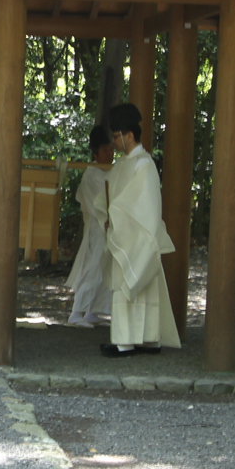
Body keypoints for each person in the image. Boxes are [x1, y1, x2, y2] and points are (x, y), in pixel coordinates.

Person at [101, 102, 180, 357]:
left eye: (116, 137)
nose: (113, 142)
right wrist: (110, 215)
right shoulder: (124, 164)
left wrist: (116, 214)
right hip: (124, 234)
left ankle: (142, 340)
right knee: (129, 283)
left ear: (129, 136)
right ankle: (130, 339)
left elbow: (142, 203)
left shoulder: (144, 164)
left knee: (139, 282)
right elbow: (112, 196)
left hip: (139, 234)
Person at [64, 125, 115, 328]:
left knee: (106, 268)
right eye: (105, 150)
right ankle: (76, 312)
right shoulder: (91, 174)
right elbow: (99, 205)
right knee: (93, 266)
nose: (110, 153)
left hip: (109, 226)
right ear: (95, 153)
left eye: (111, 149)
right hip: (98, 226)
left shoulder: (111, 170)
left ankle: (94, 311)